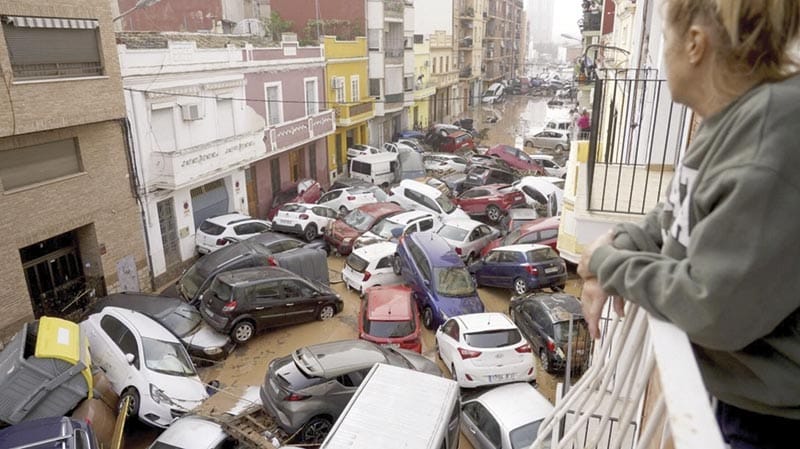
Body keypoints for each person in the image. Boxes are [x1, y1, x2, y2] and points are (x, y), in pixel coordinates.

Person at [577, 1, 800, 448]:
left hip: (773, 426)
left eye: (664, 39)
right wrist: (623, 240)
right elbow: (675, 212)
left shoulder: (767, 138)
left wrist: (608, 262)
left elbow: (711, 307)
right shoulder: (733, 120)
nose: (663, 54)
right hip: (743, 399)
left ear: (695, 44)